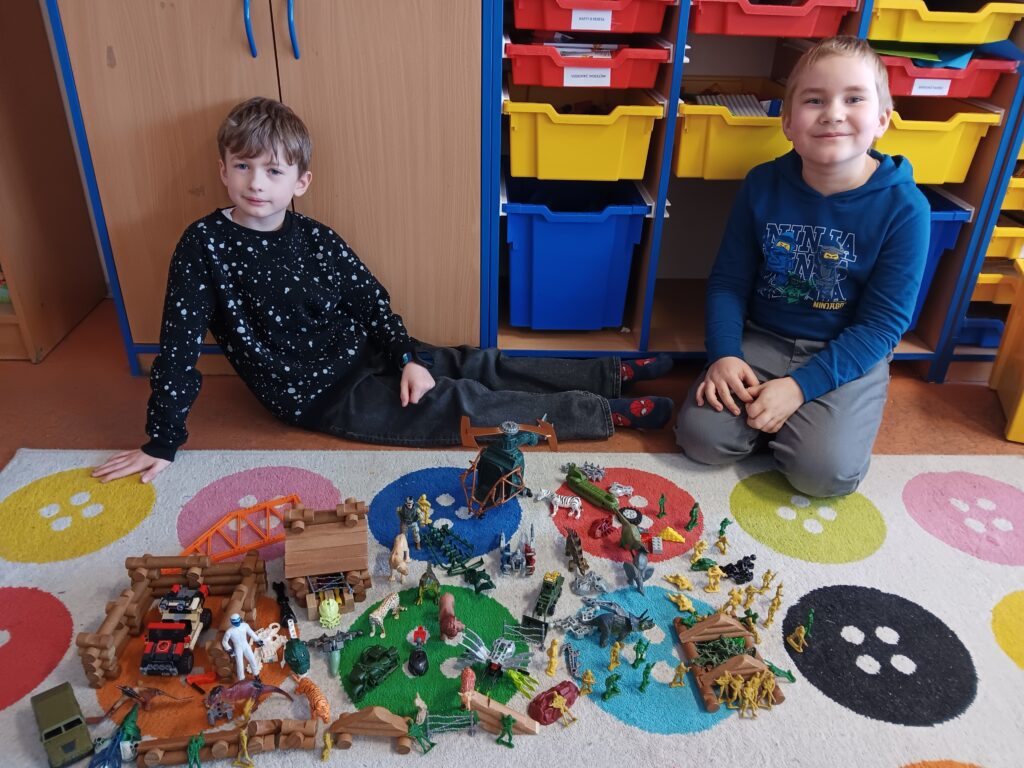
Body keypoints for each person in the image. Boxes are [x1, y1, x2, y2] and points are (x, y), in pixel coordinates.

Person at [92, 97, 674, 483]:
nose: (256, 183)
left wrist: (405, 358)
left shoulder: (316, 237)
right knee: (459, 406)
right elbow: (177, 349)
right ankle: (604, 412)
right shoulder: (204, 245)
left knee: (471, 362)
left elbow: (371, 301)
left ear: (301, 181)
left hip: (368, 352)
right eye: (243, 167)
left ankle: (607, 373)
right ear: (223, 171)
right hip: (319, 395)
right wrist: (162, 440)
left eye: (273, 171)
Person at [674, 36, 929, 497]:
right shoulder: (762, 184)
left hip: (845, 352)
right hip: (763, 339)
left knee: (824, 474)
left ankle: (801, 420)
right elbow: (728, 283)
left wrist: (799, 388)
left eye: (854, 99)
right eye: (814, 100)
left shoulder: (906, 207)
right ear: (788, 122)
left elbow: (882, 325)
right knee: (701, 439)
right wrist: (725, 355)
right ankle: (780, 420)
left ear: (882, 120)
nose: (833, 113)